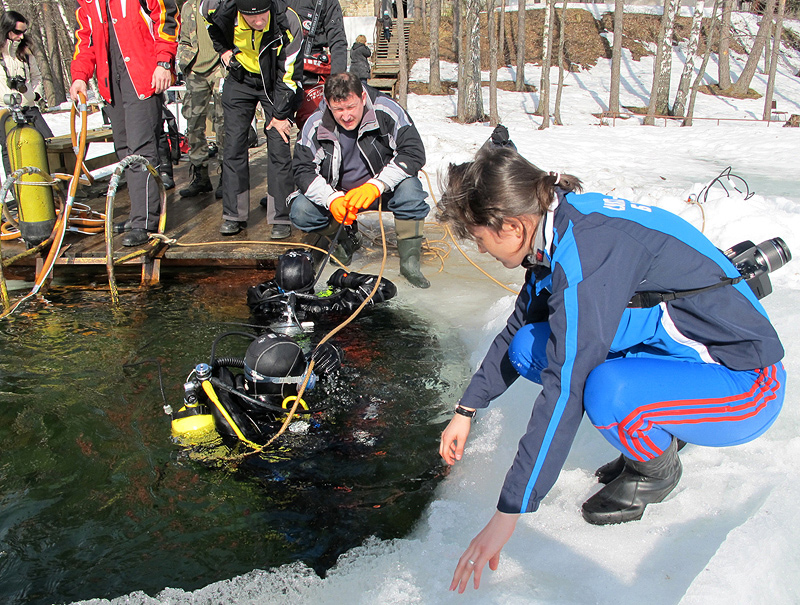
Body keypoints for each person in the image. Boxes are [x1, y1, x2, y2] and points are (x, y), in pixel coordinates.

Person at [436, 145, 786, 593]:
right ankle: (654, 424)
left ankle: (655, 472)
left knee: (604, 390)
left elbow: (566, 386)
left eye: (478, 237)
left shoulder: (587, 250)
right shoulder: (558, 225)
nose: (479, 248)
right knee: (529, 346)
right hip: (685, 353)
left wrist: (509, 511)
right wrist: (467, 408)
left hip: (748, 384)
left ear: (511, 226)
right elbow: (519, 326)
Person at [290, 72, 431, 288]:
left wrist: (376, 185)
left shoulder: (386, 110)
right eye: (338, 109)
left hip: (383, 188)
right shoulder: (315, 124)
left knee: (411, 191)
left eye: (351, 107)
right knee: (301, 211)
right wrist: (331, 199)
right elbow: (302, 170)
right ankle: (346, 240)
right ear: (328, 103)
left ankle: (409, 263)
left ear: (363, 97)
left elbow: (413, 152)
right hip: (341, 196)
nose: (346, 116)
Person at [70, 0, 179, 247]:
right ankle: (138, 212)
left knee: (141, 149)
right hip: (111, 80)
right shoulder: (88, 3)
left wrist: (164, 62)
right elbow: (85, 39)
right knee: (123, 148)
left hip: (142, 74)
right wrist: (80, 76)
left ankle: (145, 222)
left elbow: (166, 17)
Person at [205, 0, 303, 239]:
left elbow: (290, 75)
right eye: (252, 18)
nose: (259, 22)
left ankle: (280, 216)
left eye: (262, 16)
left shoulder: (288, 21)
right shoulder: (219, 9)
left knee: (278, 145)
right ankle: (233, 215)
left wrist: (280, 115)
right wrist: (224, 51)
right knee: (234, 146)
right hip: (240, 79)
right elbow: (210, 23)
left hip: (275, 81)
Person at [177, 0, 226, 200]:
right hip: (195, 71)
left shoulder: (222, 3)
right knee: (193, 122)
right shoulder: (188, 6)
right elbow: (184, 39)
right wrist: (184, 62)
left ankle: (226, 175)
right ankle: (200, 175)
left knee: (223, 123)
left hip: (220, 68)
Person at [0, 11, 53, 188]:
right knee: (11, 151)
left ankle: (52, 187)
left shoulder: (25, 53)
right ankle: (17, 191)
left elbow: (37, 77)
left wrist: (35, 94)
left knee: (49, 143)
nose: (21, 36)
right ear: (6, 29)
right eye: (17, 32)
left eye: (24, 32)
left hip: (29, 107)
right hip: (6, 110)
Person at [289, 0, 347, 128]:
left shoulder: (326, 2)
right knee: (277, 128)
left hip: (313, 71)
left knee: (315, 125)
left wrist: (336, 83)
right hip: (283, 68)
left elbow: (338, 41)